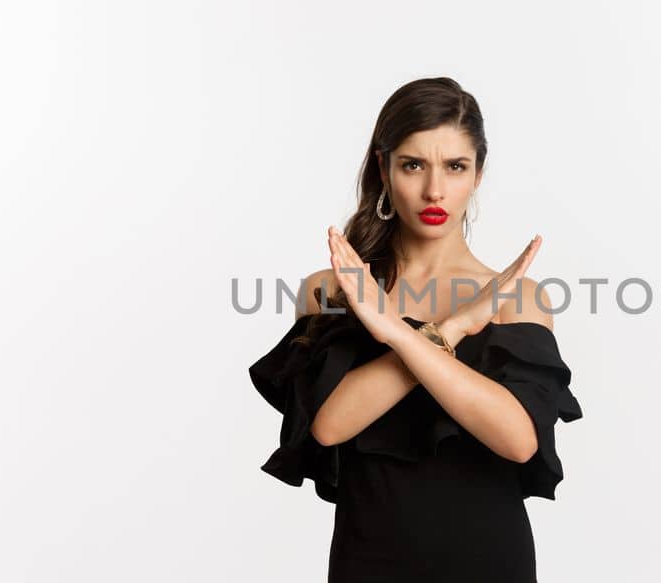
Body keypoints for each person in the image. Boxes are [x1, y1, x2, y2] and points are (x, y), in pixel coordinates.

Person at [247, 77, 584, 582]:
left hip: (489, 560)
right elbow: (329, 425)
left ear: (477, 175)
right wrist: (450, 327)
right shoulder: (332, 289)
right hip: (370, 560)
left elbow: (518, 441)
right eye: (413, 165)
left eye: (455, 167)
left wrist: (402, 333)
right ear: (383, 169)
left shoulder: (516, 296)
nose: (434, 189)